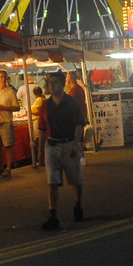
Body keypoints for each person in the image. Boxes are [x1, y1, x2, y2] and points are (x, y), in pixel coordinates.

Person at [40, 71, 86, 231]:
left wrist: (75, 144)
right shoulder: (46, 105)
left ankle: (77, 206)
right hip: (51, 146)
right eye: (50, 83)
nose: (52, 86)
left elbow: (79, 124)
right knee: (52, 182)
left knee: (75, 179)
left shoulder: (72, 102)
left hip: (68, 144)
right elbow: (41, 128)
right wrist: (40, 152)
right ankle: (53, 215)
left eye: (55, 83)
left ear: (62, 84)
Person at [0, 70, 21, 177]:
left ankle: (8, 167)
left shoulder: (10, 92)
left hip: (6, 121)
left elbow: (17, 107)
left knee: (8, 145)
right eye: (1, 77)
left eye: (4, 77)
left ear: (7, 78)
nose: (2, 79)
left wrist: (4, 107)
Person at [30, 85, 46, 166]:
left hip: (37, 121)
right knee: (39, 141)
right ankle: (41, 158)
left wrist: (30, 112)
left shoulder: (39, 100)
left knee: (38, 141)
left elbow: (40, 111)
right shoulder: (41, 99)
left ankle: (40, 159)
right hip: (36, 121)